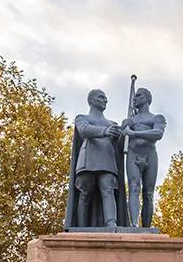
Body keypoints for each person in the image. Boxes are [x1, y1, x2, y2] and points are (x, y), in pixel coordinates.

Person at [64, 89, 128, 229]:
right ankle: (80, 227)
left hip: (108, 161)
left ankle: (111, 224)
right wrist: (105, 131)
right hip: (88, 161)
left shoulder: (112, 123)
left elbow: (120, 146)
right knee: (85, 193)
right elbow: (84, 130)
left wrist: (125, 130)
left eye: (106, 98)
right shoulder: (82, 118)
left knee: (108, 190)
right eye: (101, 97)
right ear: (91, 100)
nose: (105, 100)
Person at [121, 88, 166, 227]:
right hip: (133, 154)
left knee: (148, 193)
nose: (135, 98)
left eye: (138, 95)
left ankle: (146, 228)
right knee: (133, 188)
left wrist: (134, 134)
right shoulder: (130, 120)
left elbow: (158, 133)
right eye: (134, 96)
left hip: (150, 154)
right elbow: (120, 142)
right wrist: (124, 130)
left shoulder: (156, 118)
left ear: (147, 98)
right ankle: (134, 225)